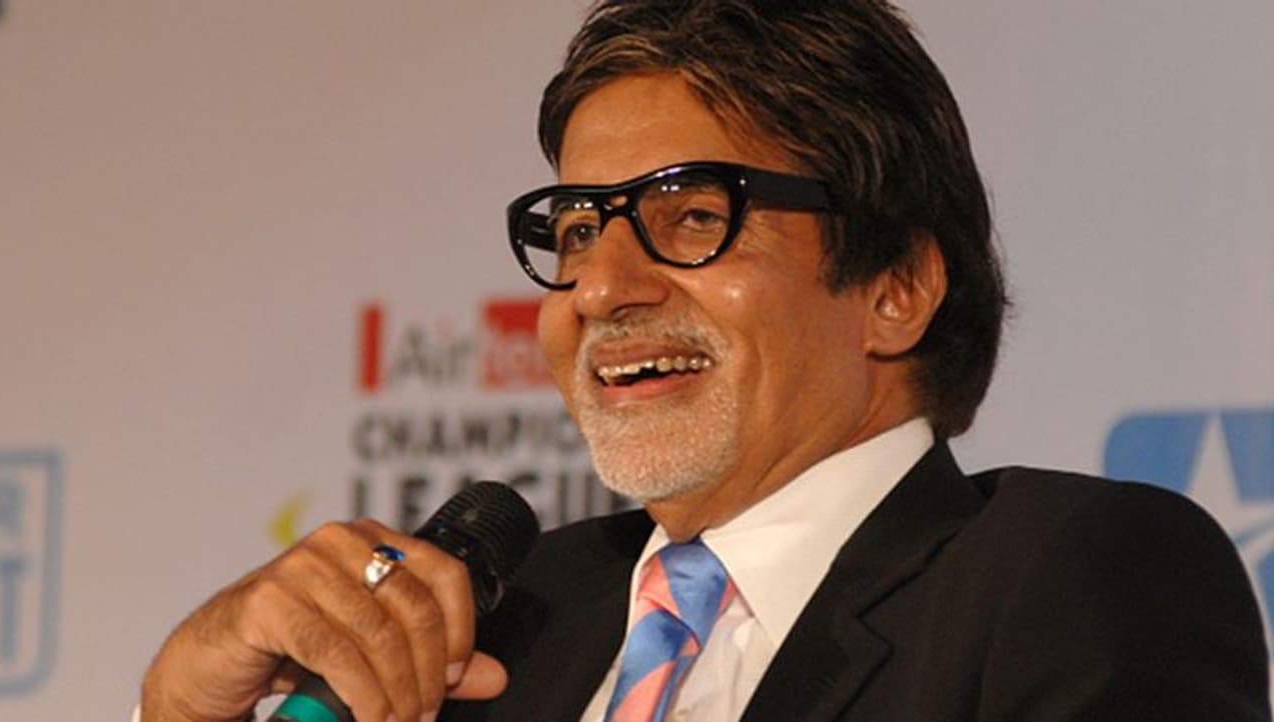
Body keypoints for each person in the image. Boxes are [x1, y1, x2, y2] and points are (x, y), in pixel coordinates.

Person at [140, 2, 1272, 721]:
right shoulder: (495, 623)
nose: (599, 289)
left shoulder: (1067, 576)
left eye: (689, 217)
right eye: (576, 231)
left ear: (894, 287)